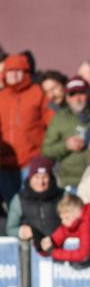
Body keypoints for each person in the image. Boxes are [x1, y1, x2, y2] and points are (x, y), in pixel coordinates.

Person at [0, 53, 53, 205]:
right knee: (13, 206)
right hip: (4, 164)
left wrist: (46, 153)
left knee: (30, 204)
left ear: (25, 73)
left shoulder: (37, 93)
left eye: (18, 71)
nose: (14, 75)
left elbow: (52, 124)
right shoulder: (1, 97)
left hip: (30, 162)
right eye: (10, 71)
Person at [41, 77, 90, 188]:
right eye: (72, 94)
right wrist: (66, 145)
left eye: (81, 93)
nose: (77, 98)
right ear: (67, 98)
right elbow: (46, 150)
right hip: (70, 182)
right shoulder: (60, 118)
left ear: (89, 94)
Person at [5, 156, 63, 245]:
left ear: (50, 178)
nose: (40, 182)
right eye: (36, 177)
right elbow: (10, 229)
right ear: (30, 178)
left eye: (45, 177)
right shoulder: (19, 199)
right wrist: (20, 232)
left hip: (59, 248)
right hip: (30, 250)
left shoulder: (62, 196)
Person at [41, 194, 90, 266]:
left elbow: (83, 254)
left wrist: (54, 253)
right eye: (62, 218)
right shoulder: (68, 225)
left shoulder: (86, 223)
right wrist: (44, 245)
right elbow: (55, 238)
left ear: (78, 212)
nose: (63, 221)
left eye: (66, 217)